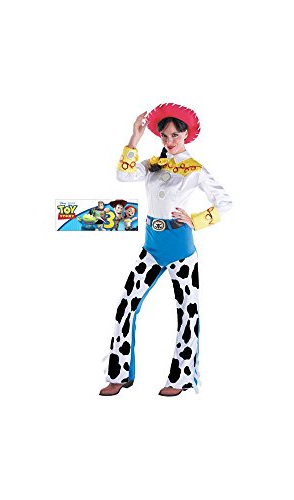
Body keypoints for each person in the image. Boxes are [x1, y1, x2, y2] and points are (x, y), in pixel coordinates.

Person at [100, 103, 232, 397]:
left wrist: (197, 220)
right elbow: (124, 175)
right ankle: (118, 374)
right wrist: (134, 138)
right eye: (164, 136)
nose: (169, 141)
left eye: (175, 135)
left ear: (185, 135)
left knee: (187, 312)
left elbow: (225, 202)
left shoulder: (195, 169)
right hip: (151, 246)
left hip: (181, 249)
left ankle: (181, 378)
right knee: (126, 305)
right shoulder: (153, 164)